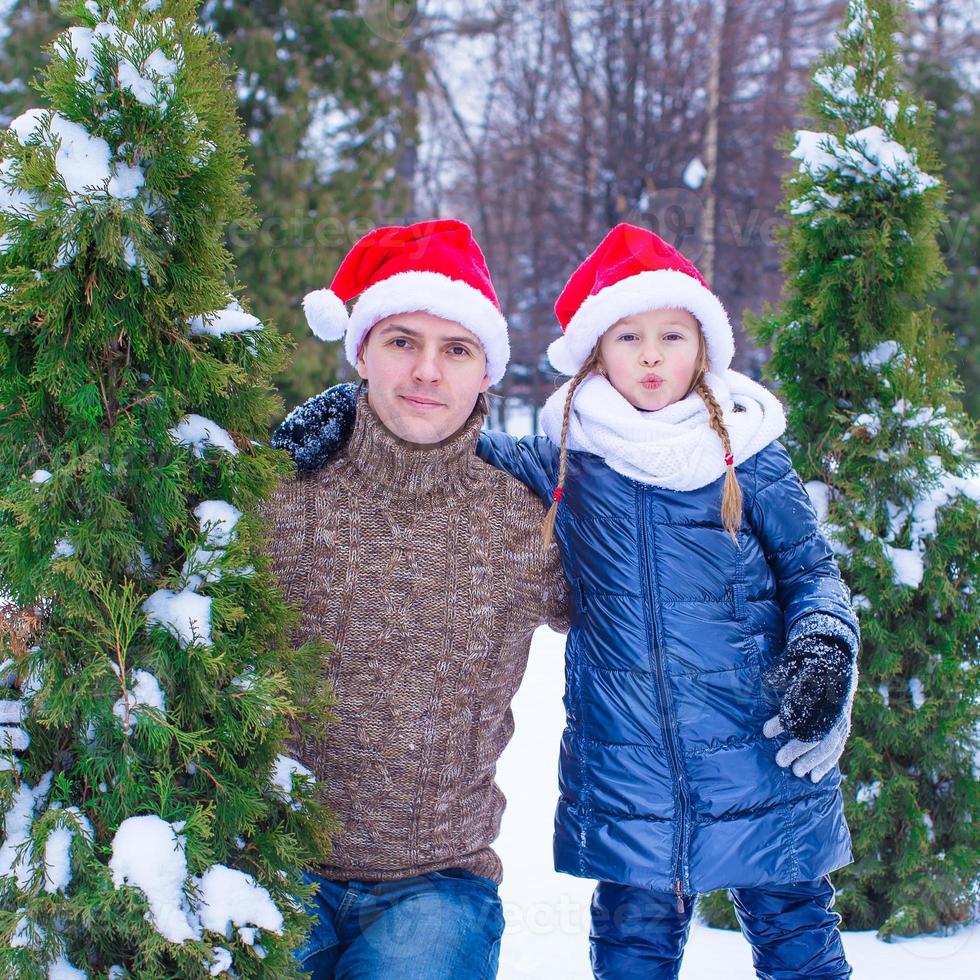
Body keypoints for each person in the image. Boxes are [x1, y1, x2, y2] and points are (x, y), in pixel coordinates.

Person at [307, 223, 860, 979]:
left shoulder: (748, 450)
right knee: (633, 945)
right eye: (629, 336)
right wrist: (349, 411)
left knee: (796, 934)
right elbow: (453, 441)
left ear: (705, 345)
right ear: (598, 350)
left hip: (758, 746)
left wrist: (826, 645)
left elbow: (813, 573)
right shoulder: (571, 452)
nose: (654, 355)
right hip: (627, 762)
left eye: (673, 334)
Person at [258, 219, 568, 980]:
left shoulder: (528, 518)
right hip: (269, 861)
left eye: (455, 349)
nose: (427, 369)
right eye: (402, 341)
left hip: (436, 883)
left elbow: (654, 602)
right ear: (361, 352)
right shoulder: (277, 493)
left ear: (485, 372)